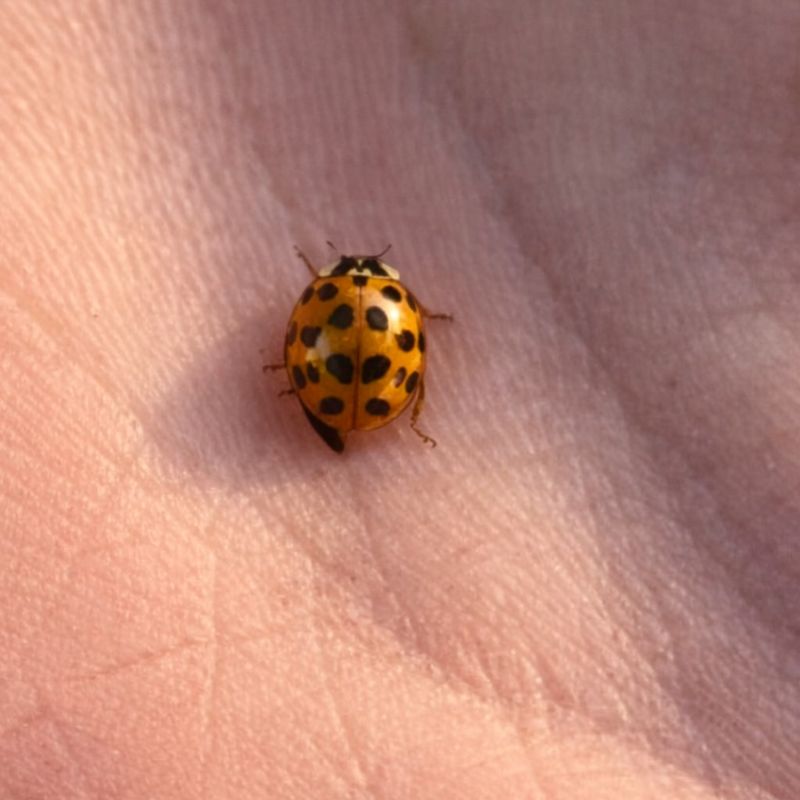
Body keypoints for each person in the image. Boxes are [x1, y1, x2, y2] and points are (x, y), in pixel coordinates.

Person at [2, 3, 797, 797]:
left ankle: (368, 410)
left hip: (342, 390)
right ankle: (398, 420)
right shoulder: (383, 303)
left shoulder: (329, 301)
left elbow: (317, 335)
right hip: (372, 399)